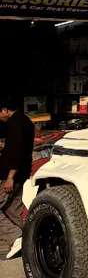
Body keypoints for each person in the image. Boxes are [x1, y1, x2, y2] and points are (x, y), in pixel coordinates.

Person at [0, 99, 35, 233]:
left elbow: (17, 151)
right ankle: (30, 235)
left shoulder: (15, 123)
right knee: (13, 209)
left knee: (10, 207)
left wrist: (10, 177)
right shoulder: (26, 121)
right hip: (22, 173)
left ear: (5, 110)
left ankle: (14, 237)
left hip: (11, 175)